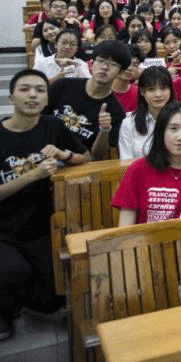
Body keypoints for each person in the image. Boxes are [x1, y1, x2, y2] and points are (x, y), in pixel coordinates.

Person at [1, 69, 90, 340]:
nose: (33, 95)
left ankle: (20, 300)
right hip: (3, 229)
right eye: (25, 89)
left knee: (53, 296)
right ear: (11, 97)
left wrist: (64, 154)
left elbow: (86, 157)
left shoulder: (52, 126)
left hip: (40, 226)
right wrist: (32, 175)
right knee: (12, 271)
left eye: (40, 90)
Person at [111, 102, 181, 225]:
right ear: (161, 131)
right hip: (146, 237)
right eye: (173, 129)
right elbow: (125, 227)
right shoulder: (137, 169)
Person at [46, 40, 130, 160]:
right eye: (101, 61)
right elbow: (37, 117)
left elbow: (97, 156)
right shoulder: (62, 86)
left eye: (113, 64)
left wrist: (104, 130)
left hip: (78, 163)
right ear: (91, 64)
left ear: (120, 72)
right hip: (43, 152)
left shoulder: (116, 112)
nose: (105, 67)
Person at [117, 66, 173, 160]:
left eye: (163, 88)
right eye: (151, 89)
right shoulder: (129, 123)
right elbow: (126, 160)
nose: (158, 94)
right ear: (142, 92)